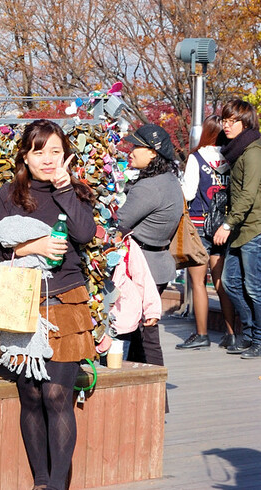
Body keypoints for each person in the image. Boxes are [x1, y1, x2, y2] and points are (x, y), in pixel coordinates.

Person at [0, 119, 96, 490]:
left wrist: (64, 188)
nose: (48, 159)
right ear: (25, 156)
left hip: (64, 300)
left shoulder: (74, 191)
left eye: (56, 152)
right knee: (30, 395)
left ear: (66, 156)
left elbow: (84, 234)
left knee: (57, 393)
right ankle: (42, 481)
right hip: (23, 303)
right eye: (39, 151)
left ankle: (58, 485)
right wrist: (34, 247)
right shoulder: (8, 195)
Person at [116, 124, 183, 367]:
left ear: (153, 152)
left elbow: (120, 222)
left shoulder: (148, 187)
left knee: (145, 335)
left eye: (136, 147)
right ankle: (142, 391)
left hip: (143, 267)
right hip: (159, 264)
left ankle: (156, 398)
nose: (131, 151)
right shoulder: (169, 180)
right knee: (140, 334)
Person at [177, 115, 234, 349]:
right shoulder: (233, 157)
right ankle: (231, 333)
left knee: (198, 282)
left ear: (207, 133)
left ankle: (201, 335)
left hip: (200, 225)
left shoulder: (196, 158)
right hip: (225, 226)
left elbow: (188, 193)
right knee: (221, 281)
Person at [213, 98, 261, 358]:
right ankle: (252, 333)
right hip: (242, 228)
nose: (227, 125)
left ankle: (258, 339)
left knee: (254, 287)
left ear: (246, 123)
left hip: (254, 227)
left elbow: (248, 195)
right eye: (225, 120)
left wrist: (227, 224)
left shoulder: (253, 151)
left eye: (233, 121)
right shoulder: (238, 150)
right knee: (230, 283)